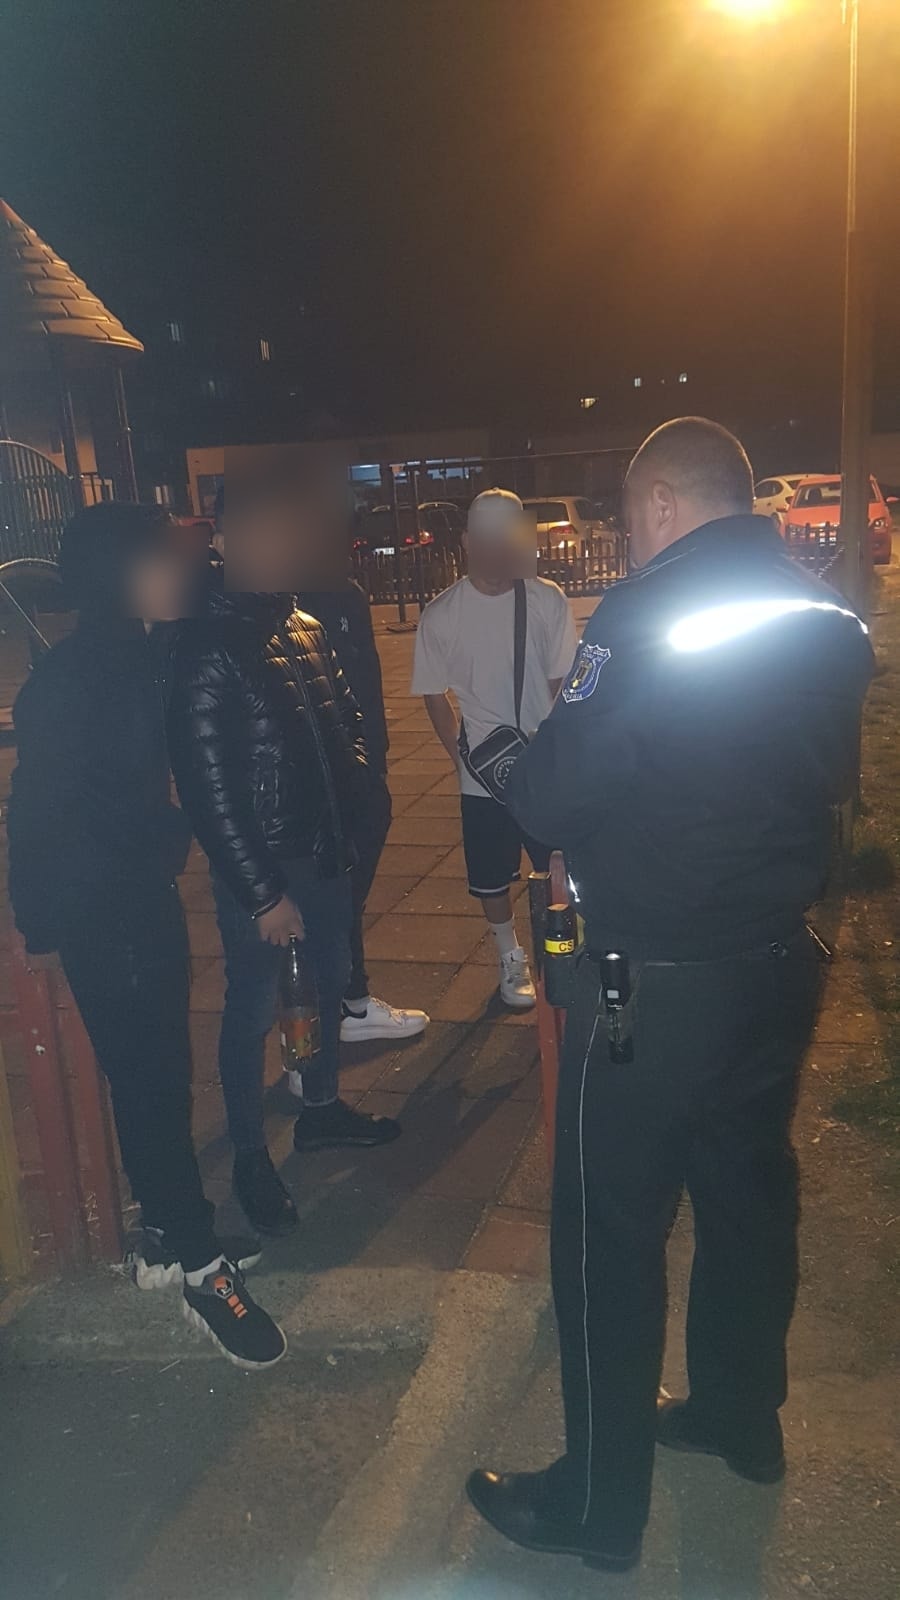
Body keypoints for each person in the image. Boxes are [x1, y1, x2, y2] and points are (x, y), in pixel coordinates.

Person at [465, 419, 874, 1571]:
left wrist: (532, 764)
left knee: (608, 1233)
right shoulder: (822, 610)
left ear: (656, 504)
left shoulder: (644, 617)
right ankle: (742, 1418)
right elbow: (817, 777)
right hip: (777, 965)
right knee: (747, 1198)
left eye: (628, 516)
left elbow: (554, 795)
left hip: (650, 983)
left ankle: (598, 1508)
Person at [7, 503, 286, 1370]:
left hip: (140, 902)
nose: (179, 571)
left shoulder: (144, 654)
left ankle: (166, 1236)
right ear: (115, 576)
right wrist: (40, 923)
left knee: (157, 1077)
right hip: (102, 910)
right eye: (160, 560)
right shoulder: (71, 680)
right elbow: (41, 810)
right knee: (154, 1083)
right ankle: (202, 1269)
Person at [168, 469, 401, 1240]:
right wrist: (263, 893)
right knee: (251, 1009)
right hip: (264, 866)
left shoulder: (302, 622)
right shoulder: (207, 644)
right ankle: (247, 1155)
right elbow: (207, 790)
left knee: (329, 980)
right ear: (223, 540)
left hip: (324, 849)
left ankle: (321, 1108)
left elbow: (349, 722)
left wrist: (356, 813)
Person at [411, 488, 577, 1008]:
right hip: (482, 769)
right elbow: (433, 693)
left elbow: (562, 683)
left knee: (560, 867)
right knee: (490, 878)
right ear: (466, 541)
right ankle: (510, 955)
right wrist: (458, 755)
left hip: (542, 762)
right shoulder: (443, 614)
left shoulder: (545, 599)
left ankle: (565, 954)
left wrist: (562, 747)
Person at [295, 572, 428, 1049]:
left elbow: (363, 684)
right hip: (315, 777)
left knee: (346, 891)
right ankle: (325, 1018)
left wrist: (375, 759)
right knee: (324, 902)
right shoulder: (272, 601)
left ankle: (348, 1002)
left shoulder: (345, 592)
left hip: (359, 769)